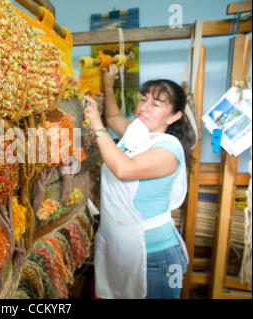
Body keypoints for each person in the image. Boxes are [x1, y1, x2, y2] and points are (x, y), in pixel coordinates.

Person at [83, 64, 194, 299]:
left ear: (174, 116)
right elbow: (113, 117)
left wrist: (97, 126)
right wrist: (108, 83)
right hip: (124, 248)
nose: (143, 107)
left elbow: (124, 168)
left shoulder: (168, 148)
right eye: (144, 99)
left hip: (157, 257)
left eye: (155, 104)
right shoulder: (138, 134)